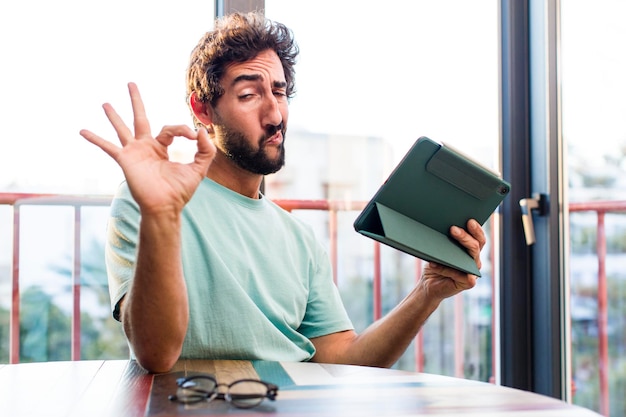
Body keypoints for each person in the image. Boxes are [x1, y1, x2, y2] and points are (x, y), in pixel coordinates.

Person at [79, 11, 485, 374]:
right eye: (249, 94)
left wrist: (427, 291)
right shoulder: (148, 203)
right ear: (203, 110)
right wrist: (161, 217)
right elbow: (155, 355)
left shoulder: (298, 238)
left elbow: (344, 357)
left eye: (279, 91)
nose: (275, 115)